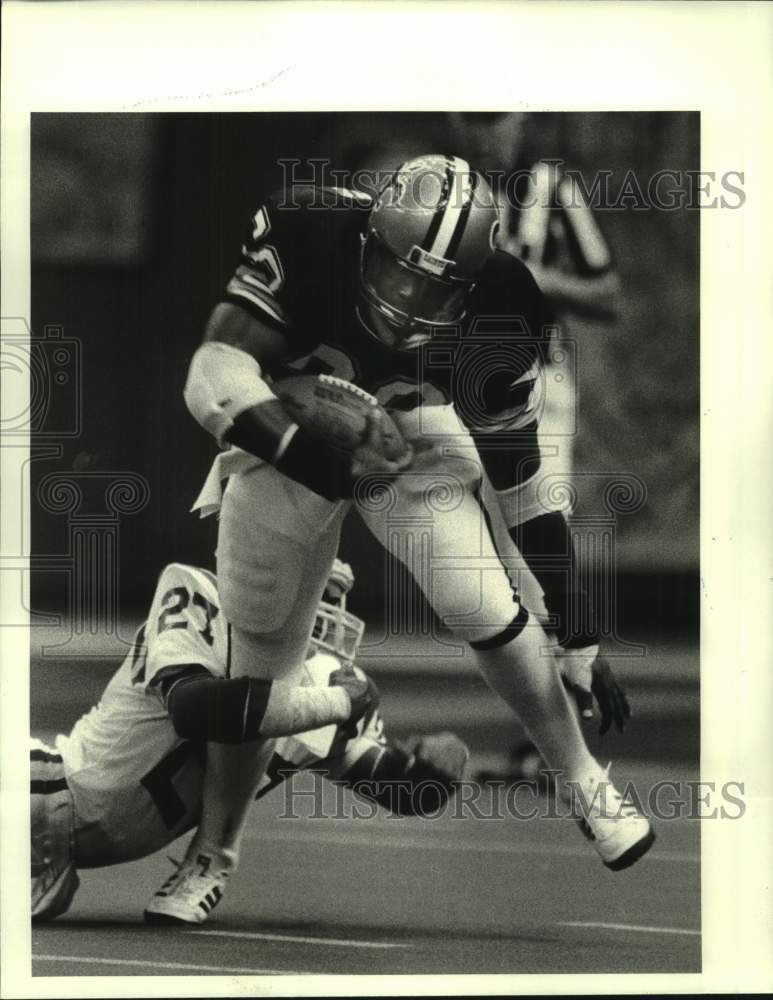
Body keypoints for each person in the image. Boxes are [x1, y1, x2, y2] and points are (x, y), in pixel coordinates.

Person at [183, 154, 655, 876]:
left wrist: (581, 633)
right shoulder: (307, 227)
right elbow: (213, 377)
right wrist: (325, 462)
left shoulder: (502, 300)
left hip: (407, 441)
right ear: (366, 240)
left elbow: (521, 493)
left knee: (481, 602)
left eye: (434, 290)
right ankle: (213, 855)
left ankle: (583, 779)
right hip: (290, 445)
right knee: (261, 663)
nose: (405, 300)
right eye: (397, 273)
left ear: (472, 287)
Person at [31, 559, 469, 924]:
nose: (326, 614)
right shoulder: (195, 595)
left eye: (334, 598)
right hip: (45, 790)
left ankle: (210, 861)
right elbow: (195, 708)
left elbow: (393, 785)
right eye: (318, 590)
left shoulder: (330, 681)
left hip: (68, 849)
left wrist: (430, 776)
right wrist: (337, 702)